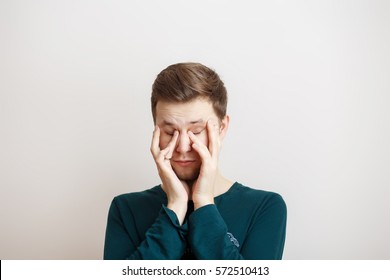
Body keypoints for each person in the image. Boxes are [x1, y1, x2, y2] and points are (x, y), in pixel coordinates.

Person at [103, 62, 287, 260]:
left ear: (222, 128)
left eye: (196, 132)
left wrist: (204, 203)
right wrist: (175, 206)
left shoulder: (264, 207)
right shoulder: (126, 209)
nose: (183, 147)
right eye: (170, 132)